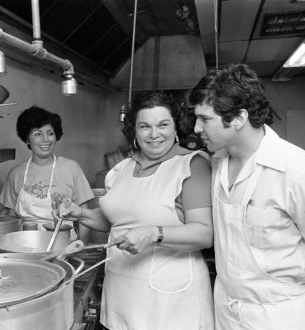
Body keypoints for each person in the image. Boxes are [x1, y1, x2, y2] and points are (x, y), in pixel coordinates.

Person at [189, 63, 305, 330]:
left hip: (279, 318)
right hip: (225, 310)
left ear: (239, 118)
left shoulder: (299, 172)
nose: (196, 128)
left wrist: (291, 302)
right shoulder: (218, 161)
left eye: (205, 119)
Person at [60, 91, 215, 330]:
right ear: (134, 130)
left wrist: (154, 233)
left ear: (176, 127)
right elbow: (117, 221)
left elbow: (204, 234)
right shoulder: (120, 169)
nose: (154, 134)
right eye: (145, 126)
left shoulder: (192, 165)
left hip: (170, 300)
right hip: (120, 293)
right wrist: (81, 214)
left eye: (163, 125)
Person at [0, 105, 94, 240]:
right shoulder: (16, 173)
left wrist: (81, 247)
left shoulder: (71, 168)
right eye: (38, 134)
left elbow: (85, 216)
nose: (46, 139)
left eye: (50, 133)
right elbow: (9, 217)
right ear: (27, 139)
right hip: (25, 245)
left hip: (65, 244)